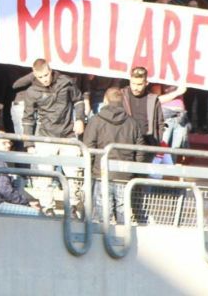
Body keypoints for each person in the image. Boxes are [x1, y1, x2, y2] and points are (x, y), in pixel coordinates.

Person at [13, 59, 84, 211]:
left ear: (50, 71)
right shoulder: (32, 92)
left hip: (68, 134)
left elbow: (78, 100)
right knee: (45, 176)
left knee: (73, 174)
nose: (44, 79)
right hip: (45, 137)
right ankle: (47, 208)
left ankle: (73, 207)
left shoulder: (66, 82)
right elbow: (28, 118)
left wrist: (79, 119)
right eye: (40, 77)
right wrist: (29, 143)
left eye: (46, 75)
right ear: (35, 75)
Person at [83, 86, 142, 224]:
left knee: (101, 218)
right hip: (124, 175)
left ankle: (102, 238)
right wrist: (134, 172)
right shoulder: (133, 123)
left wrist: (89, 170)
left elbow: (88, 147)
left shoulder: (96, 120)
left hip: (101, 173)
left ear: (105, 100)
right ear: (122, 101)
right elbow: (140, 151)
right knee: (123, 216)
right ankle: (123, 237)